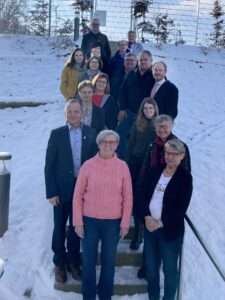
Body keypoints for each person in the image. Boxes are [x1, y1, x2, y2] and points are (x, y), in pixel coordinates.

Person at [73, 130, 132, 300]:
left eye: (112, 142)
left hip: (113, 223)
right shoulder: (88, 165)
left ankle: (105, 295)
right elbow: (77, 195)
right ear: (98, 144)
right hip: (89, 221)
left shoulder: (122, 167)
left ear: (117, 145)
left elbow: (128, 197)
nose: (108, 145)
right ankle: (89, 296)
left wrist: (125, 223)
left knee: (108, 262)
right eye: (104, 142)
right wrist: (78, 221)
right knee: (89, 262)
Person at [44, 99, 97, 284]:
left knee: (76, 228)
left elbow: (94, 165)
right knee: (59, 227)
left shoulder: (91, 134)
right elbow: (49, 166)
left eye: (77, 111)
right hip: (61, 189)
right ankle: (59, 262)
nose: (74, 114)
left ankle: (73, 261)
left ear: (82, 113)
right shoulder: (56, 134)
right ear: (65, 113)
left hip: (81, 190)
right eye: (70, 111)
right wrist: (51, 192)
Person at [137, 114, 191, 280]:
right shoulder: (153, 144)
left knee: (164, 235)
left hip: (170, 192)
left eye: (165, 126)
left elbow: (186, 171)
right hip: (152, 187)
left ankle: (156, 266)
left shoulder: (180, 147)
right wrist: (142, 184)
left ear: (171, 127)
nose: (162, 130)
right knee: (149, 231)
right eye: (159, 126)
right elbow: (146, 166)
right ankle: (148, 266)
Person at [125, 98, 159, 250]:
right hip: (136, 163)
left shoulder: (159, 125)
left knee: (147, 197)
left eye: (150, 109)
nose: (148, 111)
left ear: (155, 110)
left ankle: (147, 230)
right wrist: (125, 165)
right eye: (145, 109)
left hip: (151, 166)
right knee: (136, 197)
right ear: (142, 110)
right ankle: (138, 233)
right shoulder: (137, 124)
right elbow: (130, 145)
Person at [116, 50, 155, 159]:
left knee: (140, 140)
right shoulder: (131, 74)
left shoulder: (154, 76)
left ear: (151, 61)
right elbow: (122, 92)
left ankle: (137, 161)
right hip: (129, 113)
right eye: (141, 60)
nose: (143, 62)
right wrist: (122, 108)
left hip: (145, 116)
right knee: (119, 135)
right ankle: (122, 159)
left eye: (145, 60)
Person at [108, 40, 130, 104]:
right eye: (121, 45)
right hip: (116, 86)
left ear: (127, 46)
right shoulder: (113, 59)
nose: (123, 46)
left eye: (124, 45)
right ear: (118, 46)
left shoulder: (132, 58)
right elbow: (110, 73)